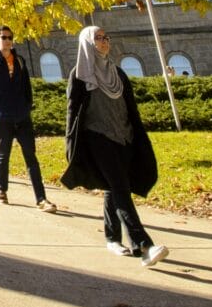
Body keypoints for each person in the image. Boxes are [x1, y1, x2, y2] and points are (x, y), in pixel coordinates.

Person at [62, 26, 168, 267]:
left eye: (105, 37)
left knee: (116, 186)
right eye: (98, 38)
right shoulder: (79, 75)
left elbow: (130, 108)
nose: (103, 41)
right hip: (97, 137)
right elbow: (72, 112)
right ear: (87, 43)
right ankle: (143, 245)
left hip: (124, 137)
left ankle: (112, 238)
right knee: (120, 187)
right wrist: (70, 143)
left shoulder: (118, 74)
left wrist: (136, 137)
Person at [0, 26, 56, 211]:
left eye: (10, 37)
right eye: (4, 37)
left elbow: (26, 87)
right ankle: (2, 190)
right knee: (3, 155)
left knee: (31, 157)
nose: (7, 40)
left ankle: (41, 199)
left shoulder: (20, 60)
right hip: (3, 116)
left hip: (22, 116)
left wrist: (26, 106)